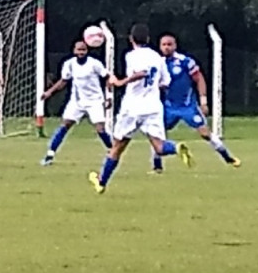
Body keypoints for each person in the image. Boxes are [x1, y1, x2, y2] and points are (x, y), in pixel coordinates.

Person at [89, 24, 193, 194]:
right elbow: (165, 83)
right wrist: (151, 87)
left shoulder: (131, 56)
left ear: (131, 39)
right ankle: (175, 148)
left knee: (117, 147)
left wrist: (119, 82)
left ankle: (101, 182)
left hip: (132, 107)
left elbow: (140, 73)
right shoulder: (158, 57)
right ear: (148, 39)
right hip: (153, 107)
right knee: (159, 147)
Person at [151, 34, 240, 171]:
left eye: (169, 44)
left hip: (188, 106)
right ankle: (157, 166)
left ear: (175, 46)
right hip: (168, 107)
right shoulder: (158, 63)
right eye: (164, 45)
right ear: (160, 46)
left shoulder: (185, 61)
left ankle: (228, 157)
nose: (167, 47)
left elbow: (199, 79)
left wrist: (203, 101)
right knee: (157, 134)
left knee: (205, 132)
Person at [40, 40, 112, 165]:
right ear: (74, 50)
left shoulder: (94, 64)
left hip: (94, 101)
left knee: (100, 129)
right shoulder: (69, 64)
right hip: (77, 101)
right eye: (79, 50)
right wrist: (49, 92)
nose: (81, 52)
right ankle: (50, 155)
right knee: (64, 125)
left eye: (83, 50)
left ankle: (112, 150)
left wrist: (109, 97)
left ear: (87, 51)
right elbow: (63, 81)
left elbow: (107, 78)